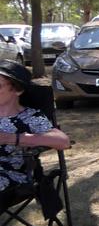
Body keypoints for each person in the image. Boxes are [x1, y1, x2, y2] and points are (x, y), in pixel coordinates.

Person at [0, 60, 71, 209]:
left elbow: (63, 141)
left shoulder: (29, 117)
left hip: (11, 176)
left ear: (17, 90)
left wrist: (11, 138)